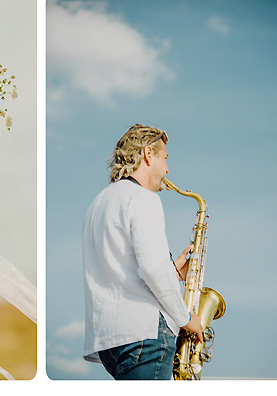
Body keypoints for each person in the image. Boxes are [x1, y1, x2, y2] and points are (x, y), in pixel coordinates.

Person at [82, 124, 204, 380]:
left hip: (109, 340)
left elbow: (120, 269)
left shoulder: (98, 203)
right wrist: (186, 318)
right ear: (149, 154)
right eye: (165, 158)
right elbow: (151, 269)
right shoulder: (144, 199)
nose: (168, 169)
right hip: (144, 335)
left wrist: (172, 273)